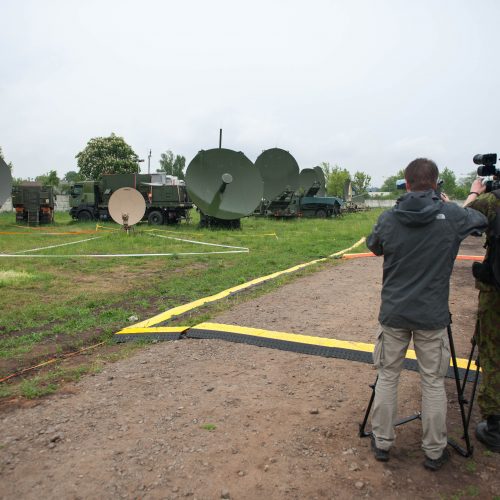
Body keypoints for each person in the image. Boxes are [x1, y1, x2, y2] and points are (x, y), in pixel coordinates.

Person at [367, 158, 488, 471]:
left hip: (394, 314)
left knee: (387, 376)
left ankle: (381, 442)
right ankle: (434, 451)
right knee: (433, 382)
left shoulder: (389, 217)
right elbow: (479, 220)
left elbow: (374, 246)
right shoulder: (451, 216)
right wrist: (468, 197)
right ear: (436, 185)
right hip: (431, 316)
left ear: (406, 184)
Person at [463, 179, 500, 453]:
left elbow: (464, 219)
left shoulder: (493, 201)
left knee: (493, 351)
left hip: (497, 293)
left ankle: (496, 424)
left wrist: (475, 192)